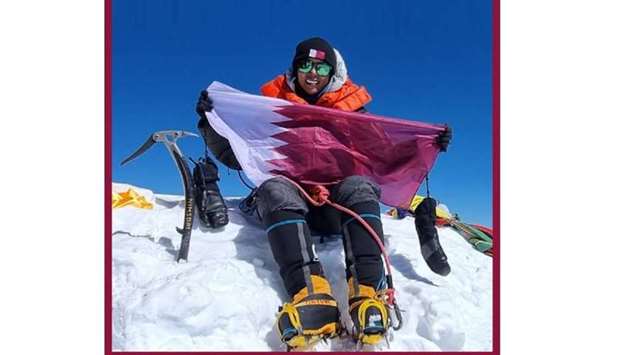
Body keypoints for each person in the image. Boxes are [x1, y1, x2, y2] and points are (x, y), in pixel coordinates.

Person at [194, 37, 451, 348]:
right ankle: (309, 293)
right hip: (289, 206)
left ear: (334, 71)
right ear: (294, 69)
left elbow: (384, 154)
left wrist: (425, 145)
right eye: (305, 65)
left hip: (337, 209)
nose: (312, 73)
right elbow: (240, 151)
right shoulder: (272, 110)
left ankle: (368, 294)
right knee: (273, 186)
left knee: (361, 184)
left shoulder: (355, 114)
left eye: (320, 66)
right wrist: (212, 123)